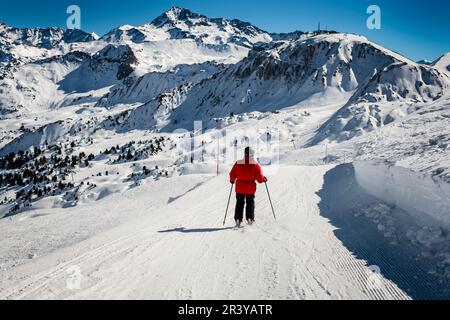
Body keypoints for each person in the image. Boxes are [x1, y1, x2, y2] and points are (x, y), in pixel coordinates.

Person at [229, 147, 267, 227]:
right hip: (250, 189)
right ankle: (249, 218)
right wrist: (263, 179)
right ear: (252, 154)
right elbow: (259, 179)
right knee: (250, 203)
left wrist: (232, 180)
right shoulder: (255, 165)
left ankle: (238, 219)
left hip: (240, 188)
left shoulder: (238, 163)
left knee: (239, 203)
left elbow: (232, 174)